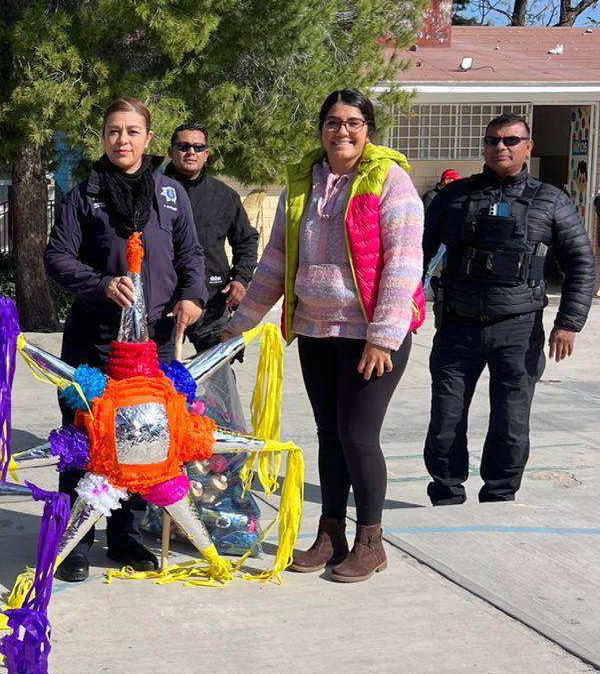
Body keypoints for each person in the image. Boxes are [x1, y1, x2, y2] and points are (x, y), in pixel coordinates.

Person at [227, 89, 425, 581]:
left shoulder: (390, 181)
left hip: (370, 335)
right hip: (316, 330)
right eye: (333, 122)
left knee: (358, 435)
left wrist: (383, 337)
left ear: (368, 129)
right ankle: (331, 533)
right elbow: (276, 260)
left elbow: (403, 264)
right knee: (329, 435)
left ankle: (370, 541)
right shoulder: (304, 183)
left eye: (353, 122)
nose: (343, 131)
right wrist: (240, 325)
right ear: (321, 128)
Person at [44, 98, 206, 581]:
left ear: (148, 139)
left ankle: (125, 537)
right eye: (114, 131)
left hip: (151, 343)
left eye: (133, 132)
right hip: (93, 343)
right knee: (84, 441)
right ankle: (73, 542)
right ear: (103, 136)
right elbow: (57, 257)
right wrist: (100, 283)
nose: (123, 140)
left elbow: (191, 256)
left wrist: (193, 297)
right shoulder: (82, 195)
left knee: (142, 438)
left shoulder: (170, 195)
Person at [423, 113, 594, 505]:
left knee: (511, 422)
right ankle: (446, 494)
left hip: (518, 330)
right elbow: (415, 252)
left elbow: (581, 263)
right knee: (446, 419)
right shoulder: (454, 197)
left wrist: (569, 323)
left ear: (528, 147)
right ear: (484, 147)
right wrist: (405, 306)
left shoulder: (550, 201)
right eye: (493, 140)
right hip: (456, 328)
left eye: (511, 140)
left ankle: (500, 496)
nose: (501, 147)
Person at [162, 122, 259, 352]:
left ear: (207, 154)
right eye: (183, 146)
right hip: (162, 302)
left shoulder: (224, 196)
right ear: (170, 152)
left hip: (212, 301)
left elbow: (246, 240)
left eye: (198, 147)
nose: (191, 152)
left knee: (219, 376)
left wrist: (241, 279)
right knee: (156, 379)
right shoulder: (152, 192)